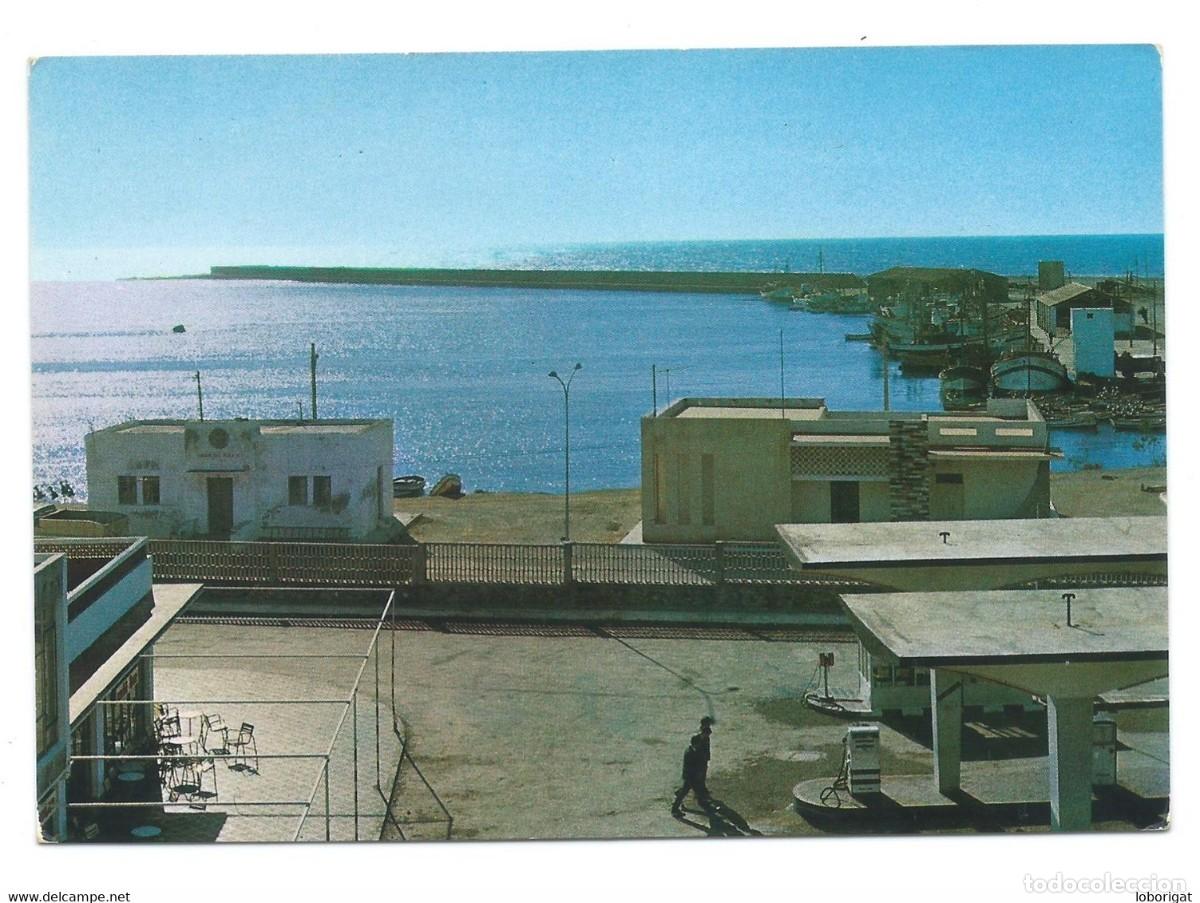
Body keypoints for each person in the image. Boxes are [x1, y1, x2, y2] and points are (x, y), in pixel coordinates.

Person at [671, 733, 712, 816]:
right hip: (690, 777)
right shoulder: (690, 753)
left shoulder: (691, 750)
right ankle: (674, 809)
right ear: (696, 743)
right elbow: (691, 767)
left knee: (692, 791)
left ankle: (676, 806)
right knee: (688, 791)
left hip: (691, 777)